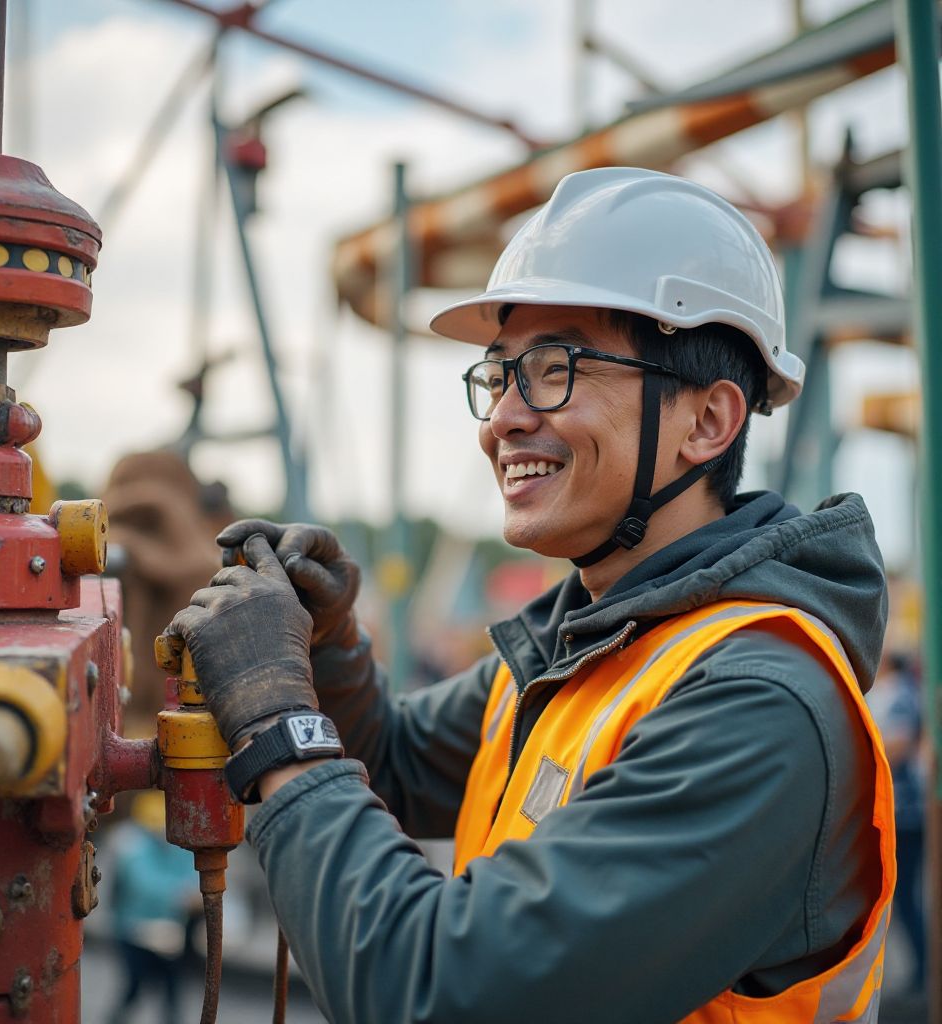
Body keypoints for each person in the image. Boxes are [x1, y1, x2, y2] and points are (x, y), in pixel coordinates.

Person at [168, 168, 894, 1023]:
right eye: (498, 375)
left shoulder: (758, 706)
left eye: (554, 368)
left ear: (707, 421)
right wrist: (327, 646)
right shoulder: (585, 643)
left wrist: (274, 725)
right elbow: (393, 764)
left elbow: (442, 995)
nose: (501, 419)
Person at [105, 791, 200, 1024]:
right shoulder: (130, 843)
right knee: (134, 987)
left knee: (172, 990)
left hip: (172, 932)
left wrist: (192, 893)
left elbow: (191, 871)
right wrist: (179, 895)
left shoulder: (177, 841)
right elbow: (141, 882)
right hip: (134, 930)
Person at [867, 650, 926, 993]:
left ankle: (923, 974)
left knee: (905, 899)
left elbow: (900, 744)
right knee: (901, 899)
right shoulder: (888, 692)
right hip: (897, 810)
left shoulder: (900, 693)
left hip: (906, 813)